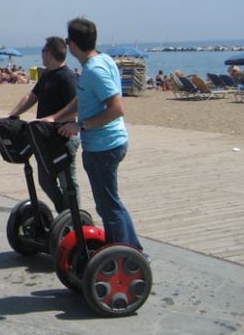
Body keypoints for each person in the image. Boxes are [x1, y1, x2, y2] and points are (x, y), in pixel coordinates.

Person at [45, 17, 143, 251]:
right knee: (110, 203)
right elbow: (84, 97)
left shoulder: (95, 69)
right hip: (106, 143)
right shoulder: (101, 61)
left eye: (68, 40)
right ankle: (130, 249)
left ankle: (124, 254)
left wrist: (81, 126)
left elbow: (117, 108)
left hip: (104, 145)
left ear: (73, 44)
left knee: (108, 205)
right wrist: (55, 118)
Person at [8, 36, 80, 213]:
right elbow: (31, 97)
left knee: (67, 182)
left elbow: (76, 107)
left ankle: (74, 219)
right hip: (44, 136)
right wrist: (13, 114)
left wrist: (58, 120)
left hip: (63, 136)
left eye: (42, 51)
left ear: (49, 53)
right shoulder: (47, 75)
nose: (41, 55)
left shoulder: (68, 78)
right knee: (45, 180)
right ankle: (65, 213)